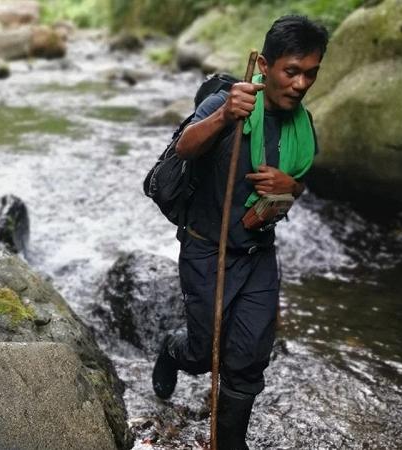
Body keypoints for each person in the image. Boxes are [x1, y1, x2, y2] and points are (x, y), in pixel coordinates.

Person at [151, 15, 329, 449]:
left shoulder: (301, 127)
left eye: (311, 74)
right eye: (292, 71)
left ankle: (229, 444)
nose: (301, 83)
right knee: (202, 353)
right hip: (207, 252)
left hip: (258, 257)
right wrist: (225, 115)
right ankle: (173, 351)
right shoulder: (230, 103)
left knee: (247, 360)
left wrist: (294, 187)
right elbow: (184, 147)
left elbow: (297, 186)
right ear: (265, 66)